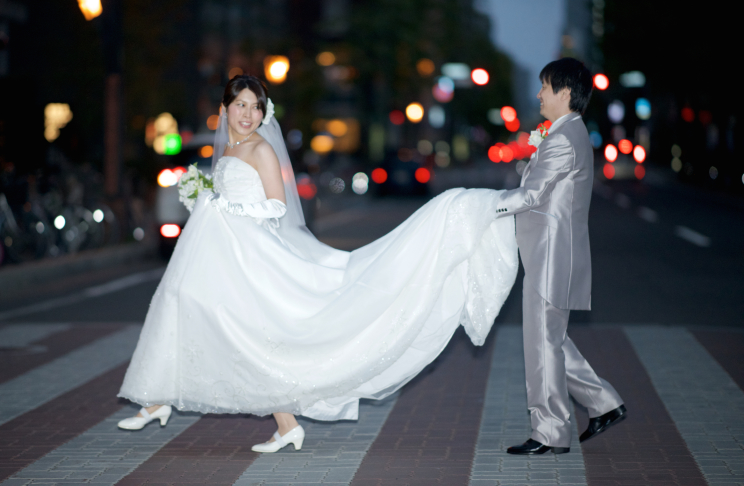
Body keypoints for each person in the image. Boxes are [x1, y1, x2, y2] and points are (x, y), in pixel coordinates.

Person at [117, 75, 518, 453]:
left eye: (255, 107)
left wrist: (225, 205)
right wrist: (207, 196)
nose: (247, 114)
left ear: (264, 113)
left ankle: (169, 403)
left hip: (251, 253)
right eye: (240, 105)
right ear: (225, 109)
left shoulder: (260, 148)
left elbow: (275, 204)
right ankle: (265, 421)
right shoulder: (228, 149)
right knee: (188, 302)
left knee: (245, 328)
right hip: (222, 251)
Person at [497, 58, 626, 456]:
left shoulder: (562, 138)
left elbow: (529, 196)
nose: (539, 94)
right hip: (551, 252)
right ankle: (604, 404)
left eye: (545, 87)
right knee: (550, 340)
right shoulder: (567, 133)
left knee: (542, 344)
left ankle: (550, 431)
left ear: (566, 93)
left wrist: (476, 206)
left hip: (551, 256)